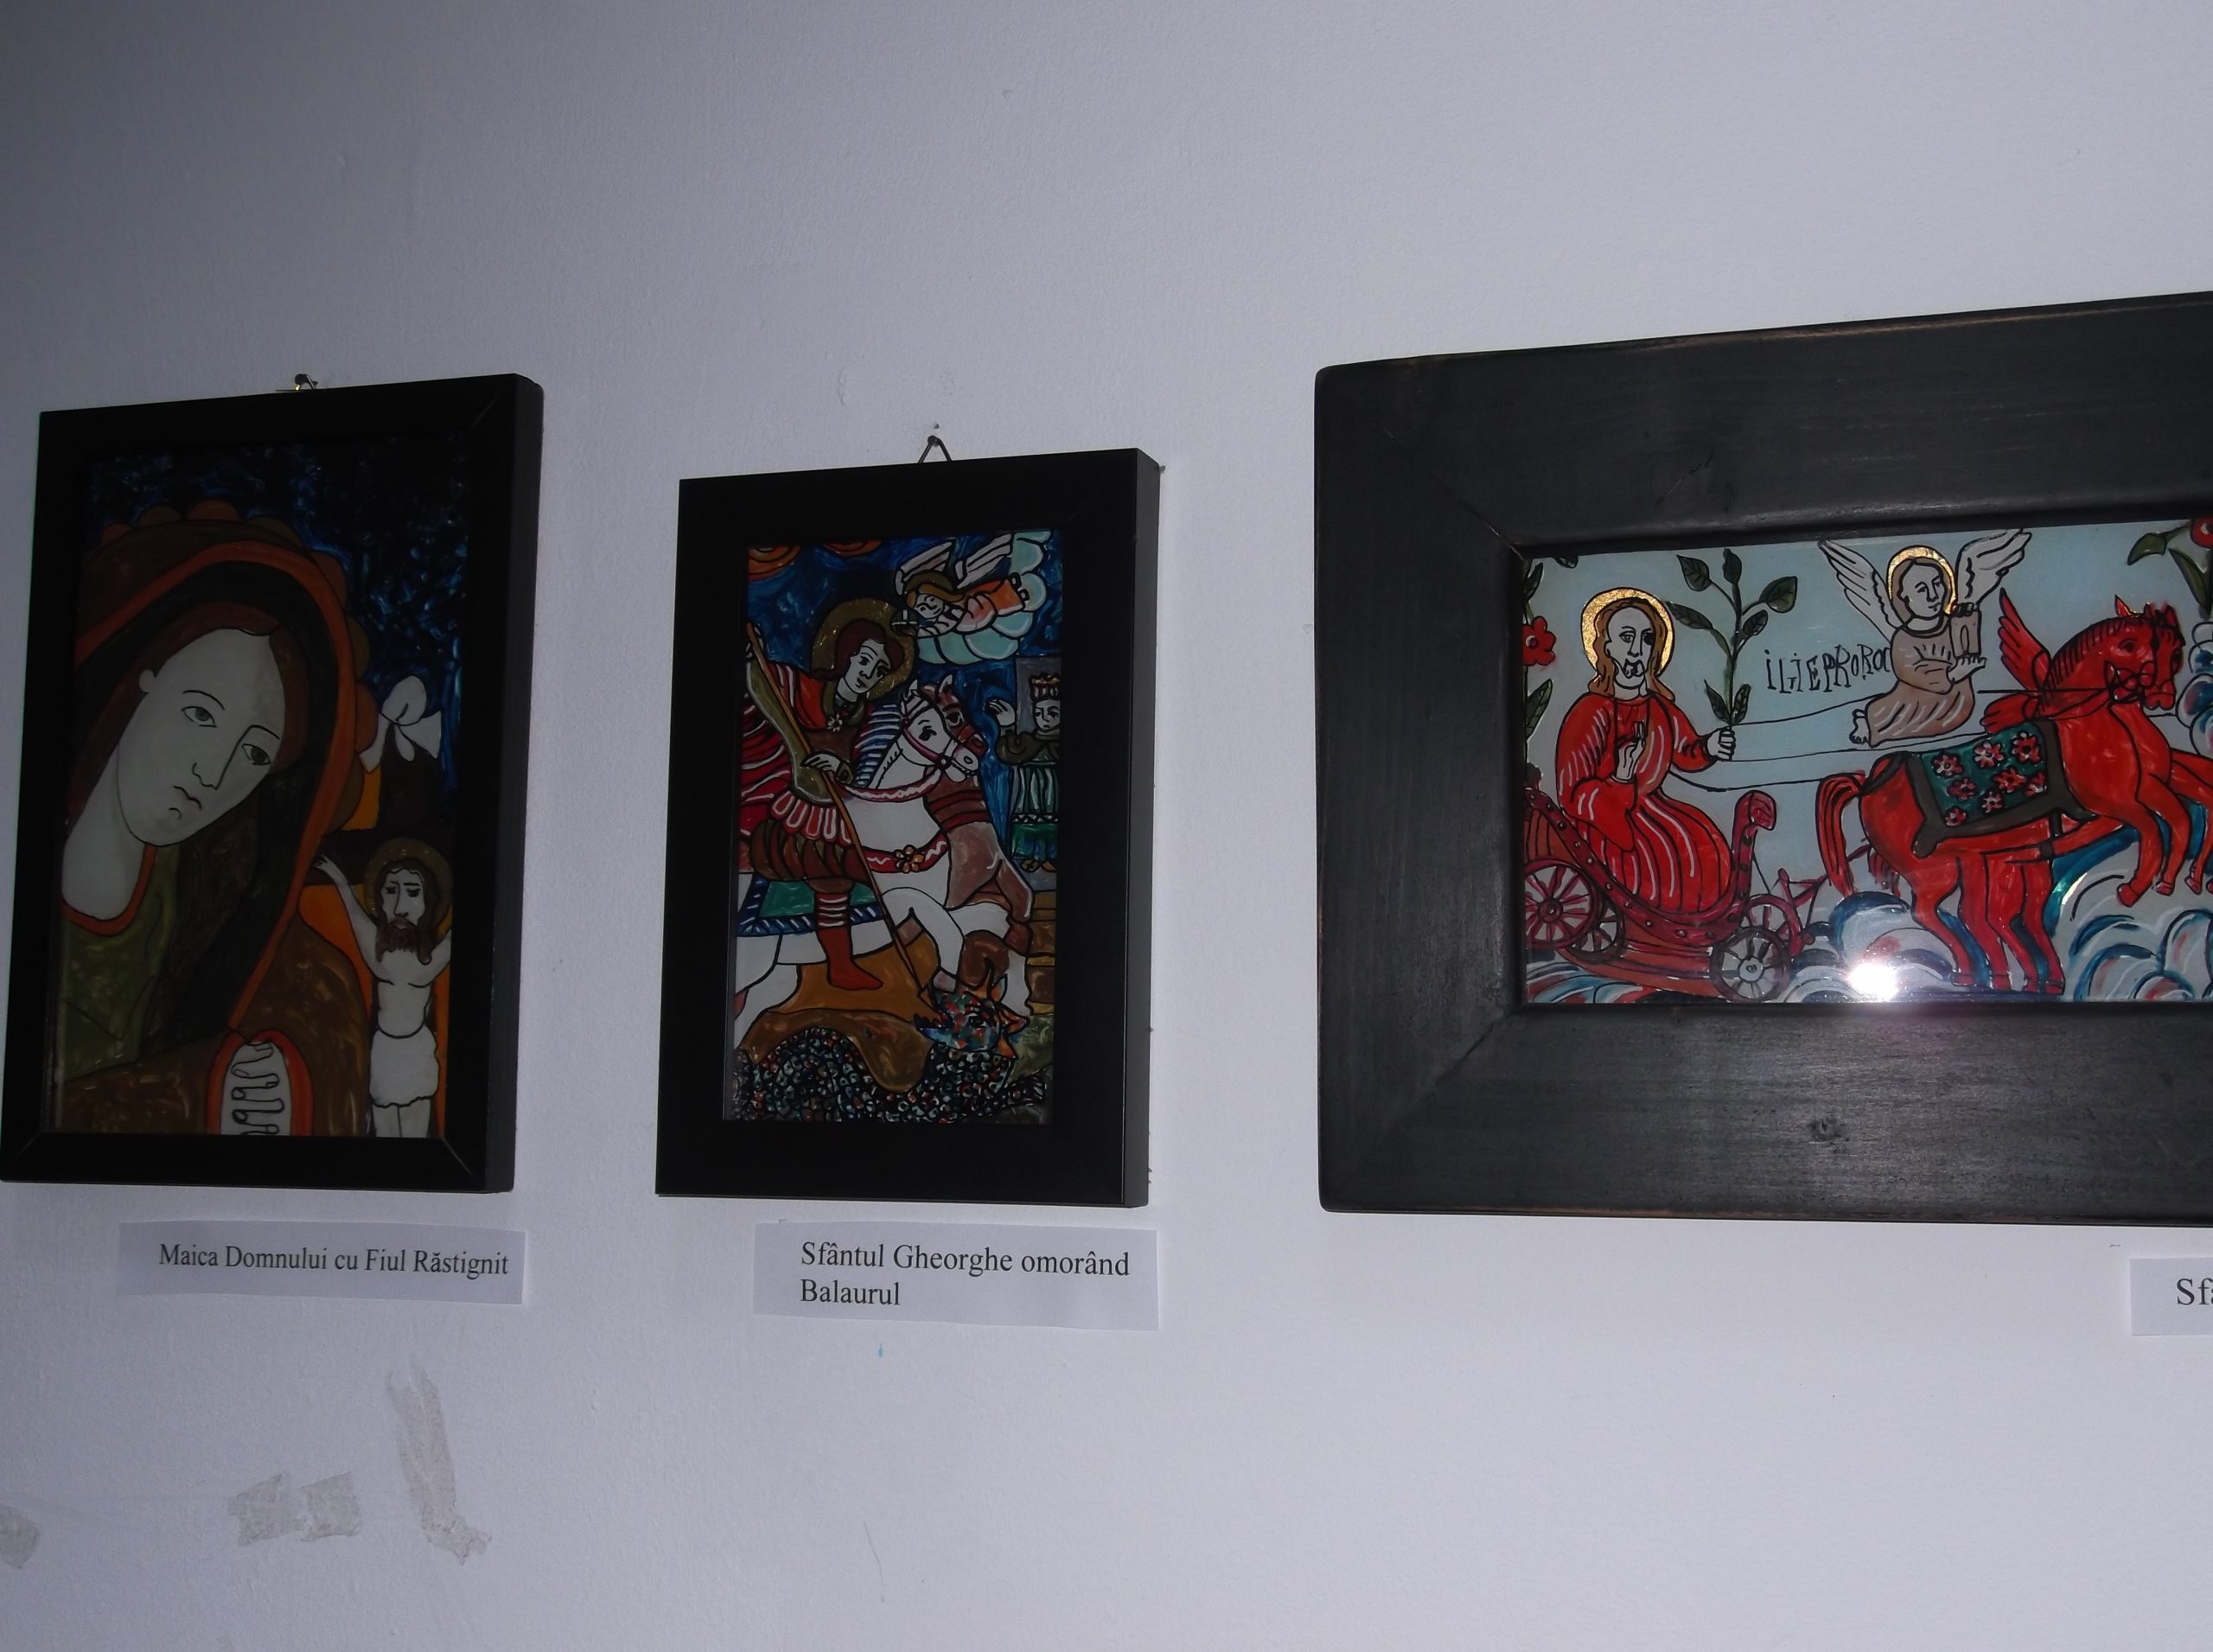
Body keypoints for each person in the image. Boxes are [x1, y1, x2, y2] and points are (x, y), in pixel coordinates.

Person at [51, 504, 375, 1134]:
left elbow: (320, 998)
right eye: (200, 714)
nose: (210, 773)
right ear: (144, 680)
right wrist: (199, 1089)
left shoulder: (206, 886)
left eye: (253, 754)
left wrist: (282, 1068)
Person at [738, 605, 909, 992]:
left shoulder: (868, 719)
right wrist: (752, 659)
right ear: (846, 655)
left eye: (878, 669)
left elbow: (865, 769)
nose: (867, 672)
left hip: (835, 806)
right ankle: (836, 963)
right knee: (826, 865)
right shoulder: (802, 687)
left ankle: (841, 964)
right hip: (792, 802)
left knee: (848, 868)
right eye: (864, 659)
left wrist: (841, 768)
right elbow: (761, 686)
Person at [1553, 590, 1737, 912]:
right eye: (1626, 637)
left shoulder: (1660, 708)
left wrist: (1709, 746)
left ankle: (1698, 923)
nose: (1637, 649)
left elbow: (1684, 750)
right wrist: (1621, 779)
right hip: (1605, 822)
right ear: (1606, 647)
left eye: (1647, 639)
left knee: (1703, 843)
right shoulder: (1590, 712)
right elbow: (1573, 794)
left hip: (1653, 808)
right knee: (1661, 856)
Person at [315, 842, 452, 1139]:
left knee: (416, 1135)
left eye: (413, 892)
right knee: (384, 1134)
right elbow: (355, 916)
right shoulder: (381, 957)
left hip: (417, 1053)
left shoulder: (424, 963)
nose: (400, 906)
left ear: (428, 902)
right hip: (384, 1053)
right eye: (391, 891)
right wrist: (339, 881)